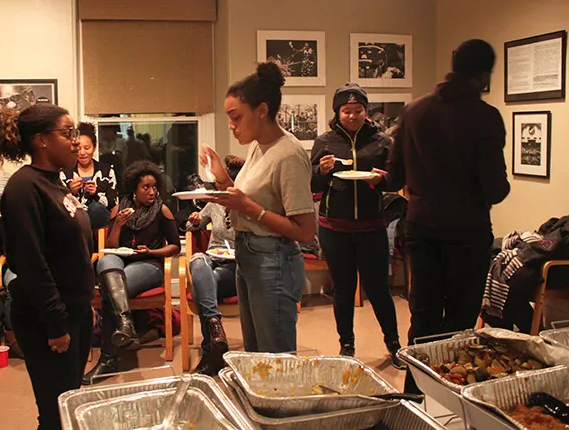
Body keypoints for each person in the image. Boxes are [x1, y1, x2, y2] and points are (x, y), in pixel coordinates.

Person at [377, 39, 510, 393]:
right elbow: (496, 189)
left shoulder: (415, 110)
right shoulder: (485, 117)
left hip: (420, 226)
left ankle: (414, 396)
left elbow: (395, 176)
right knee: (460, 322)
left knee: (423, 315)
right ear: (483, 75)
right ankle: (450, 399)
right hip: (467, 231)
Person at [0, 104, 94, 430]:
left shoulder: (55, 183)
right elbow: (31, 262)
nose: (76, 141)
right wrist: (56, 323)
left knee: (68, 403)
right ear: (41, 140)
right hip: (47, 318)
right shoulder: (23, 188)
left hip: (74, 309)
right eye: (68, 132)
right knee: (55, 413)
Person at [201, 62, 316, 353]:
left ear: (261, 111)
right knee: (255, 355)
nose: (231, 125)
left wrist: (249, 207)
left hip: (274, 260)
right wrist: (222, 178)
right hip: (249, 256)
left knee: (275, 358)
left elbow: (305, 232)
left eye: (235, 117)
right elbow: (247, 197)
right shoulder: (257, 146)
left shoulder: (289, 155)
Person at [310, 83, 405, 369]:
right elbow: (312, 184)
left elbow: (397, 180)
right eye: (346, 111)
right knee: (343, 288)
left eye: (358, 110)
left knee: (378, 289)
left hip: (371, 227)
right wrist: (321, 171)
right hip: (333, 227)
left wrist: (382, 181)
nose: (352, 116)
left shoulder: (382, 141)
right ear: (337, 112)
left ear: (366, 112)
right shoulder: (324, 142)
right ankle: (346, 345)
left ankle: (394, 344)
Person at [83, 160, 181, 383]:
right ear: (134, 190)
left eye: (154, 187)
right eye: (146, 187)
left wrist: (153, 251)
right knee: (105, 263)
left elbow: (175, 245)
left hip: (149, 264)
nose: (152, 192)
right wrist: (117, 224)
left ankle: (108, 359)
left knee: (110, 288)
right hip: (122, 261)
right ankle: (127, 326)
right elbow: (110, 246)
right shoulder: (120, 209)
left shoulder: (161, 210)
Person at [186, 155, 245, 376]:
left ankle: (210, 348)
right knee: (198, 261)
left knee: (203, 287)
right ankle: (215, 327)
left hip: (236, 268)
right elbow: (195, 225)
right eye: (219, 185)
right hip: (212, 260)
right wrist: (193, 222)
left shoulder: (245, 204)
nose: (220, 190)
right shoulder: (214, 204)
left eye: (225, 185)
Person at [60, 122, 119, 229]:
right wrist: (71, 191)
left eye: (87, 148)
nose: (82, 153)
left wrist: (96, 194)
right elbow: (58, 205)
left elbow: (113, 203)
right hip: (73, 225)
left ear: (94, 147)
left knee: (96, 208)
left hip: (100, 224)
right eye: (78, 148)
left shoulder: (106, 171)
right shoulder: (65, 173)